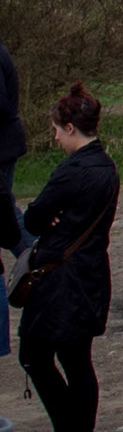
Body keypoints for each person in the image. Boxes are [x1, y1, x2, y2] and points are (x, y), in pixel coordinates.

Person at [18, 84, 120, 432]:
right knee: (77, 359)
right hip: (91, 272)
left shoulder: (71, 171)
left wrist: (51, 217)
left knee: (35, 353)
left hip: (60, 278)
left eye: (58, 130)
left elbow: (33, 218)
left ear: (70, 127)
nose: (56, 137)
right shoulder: (107, 167)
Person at [0, 40, 25, 358]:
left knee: (6, 214)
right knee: (8, 212)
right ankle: (39, 261)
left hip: (2, 150)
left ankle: (39, 264)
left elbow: (1, 105)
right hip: (5, 147)